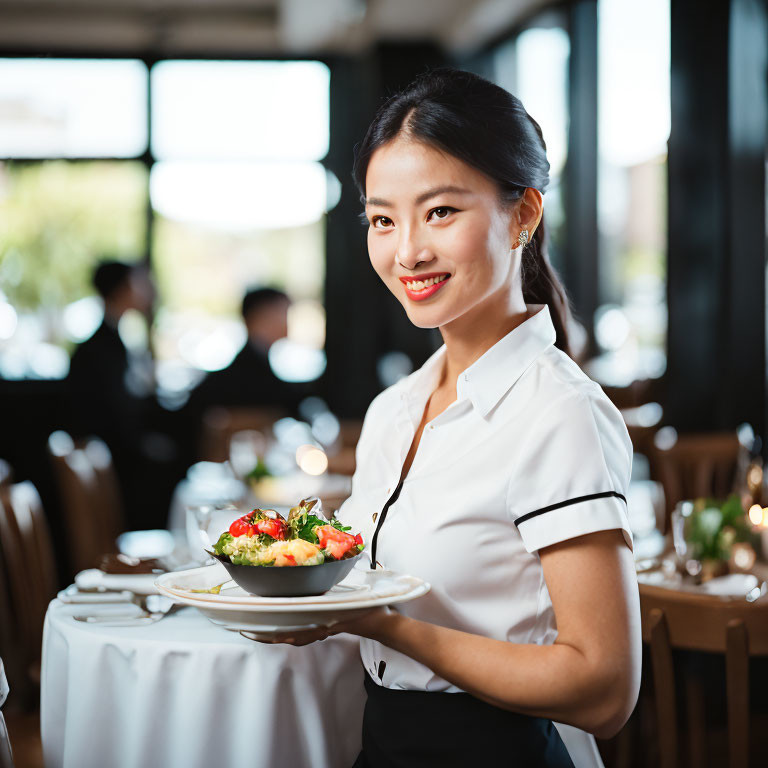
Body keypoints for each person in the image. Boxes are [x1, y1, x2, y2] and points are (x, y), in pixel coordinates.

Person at [259, 68, 641, 767]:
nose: (407, 252)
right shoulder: (393, 410)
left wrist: (384, 626)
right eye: (383, 219)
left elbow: (605, 689)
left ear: (523, 213)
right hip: (386, 743)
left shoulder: (559, 412)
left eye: (439, 212)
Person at [67, 260, 177, 528]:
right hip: (118, 463)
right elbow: (111, 417)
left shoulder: (114, 341)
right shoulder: (99, 349)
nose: (147, 290)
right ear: (122, 289)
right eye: (139, 283)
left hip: (120, 453)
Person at [185, 287, 302, 418]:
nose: (288, 321)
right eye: (284, 312)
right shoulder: (249, 372)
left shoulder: (256, 360)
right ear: (263, 315)